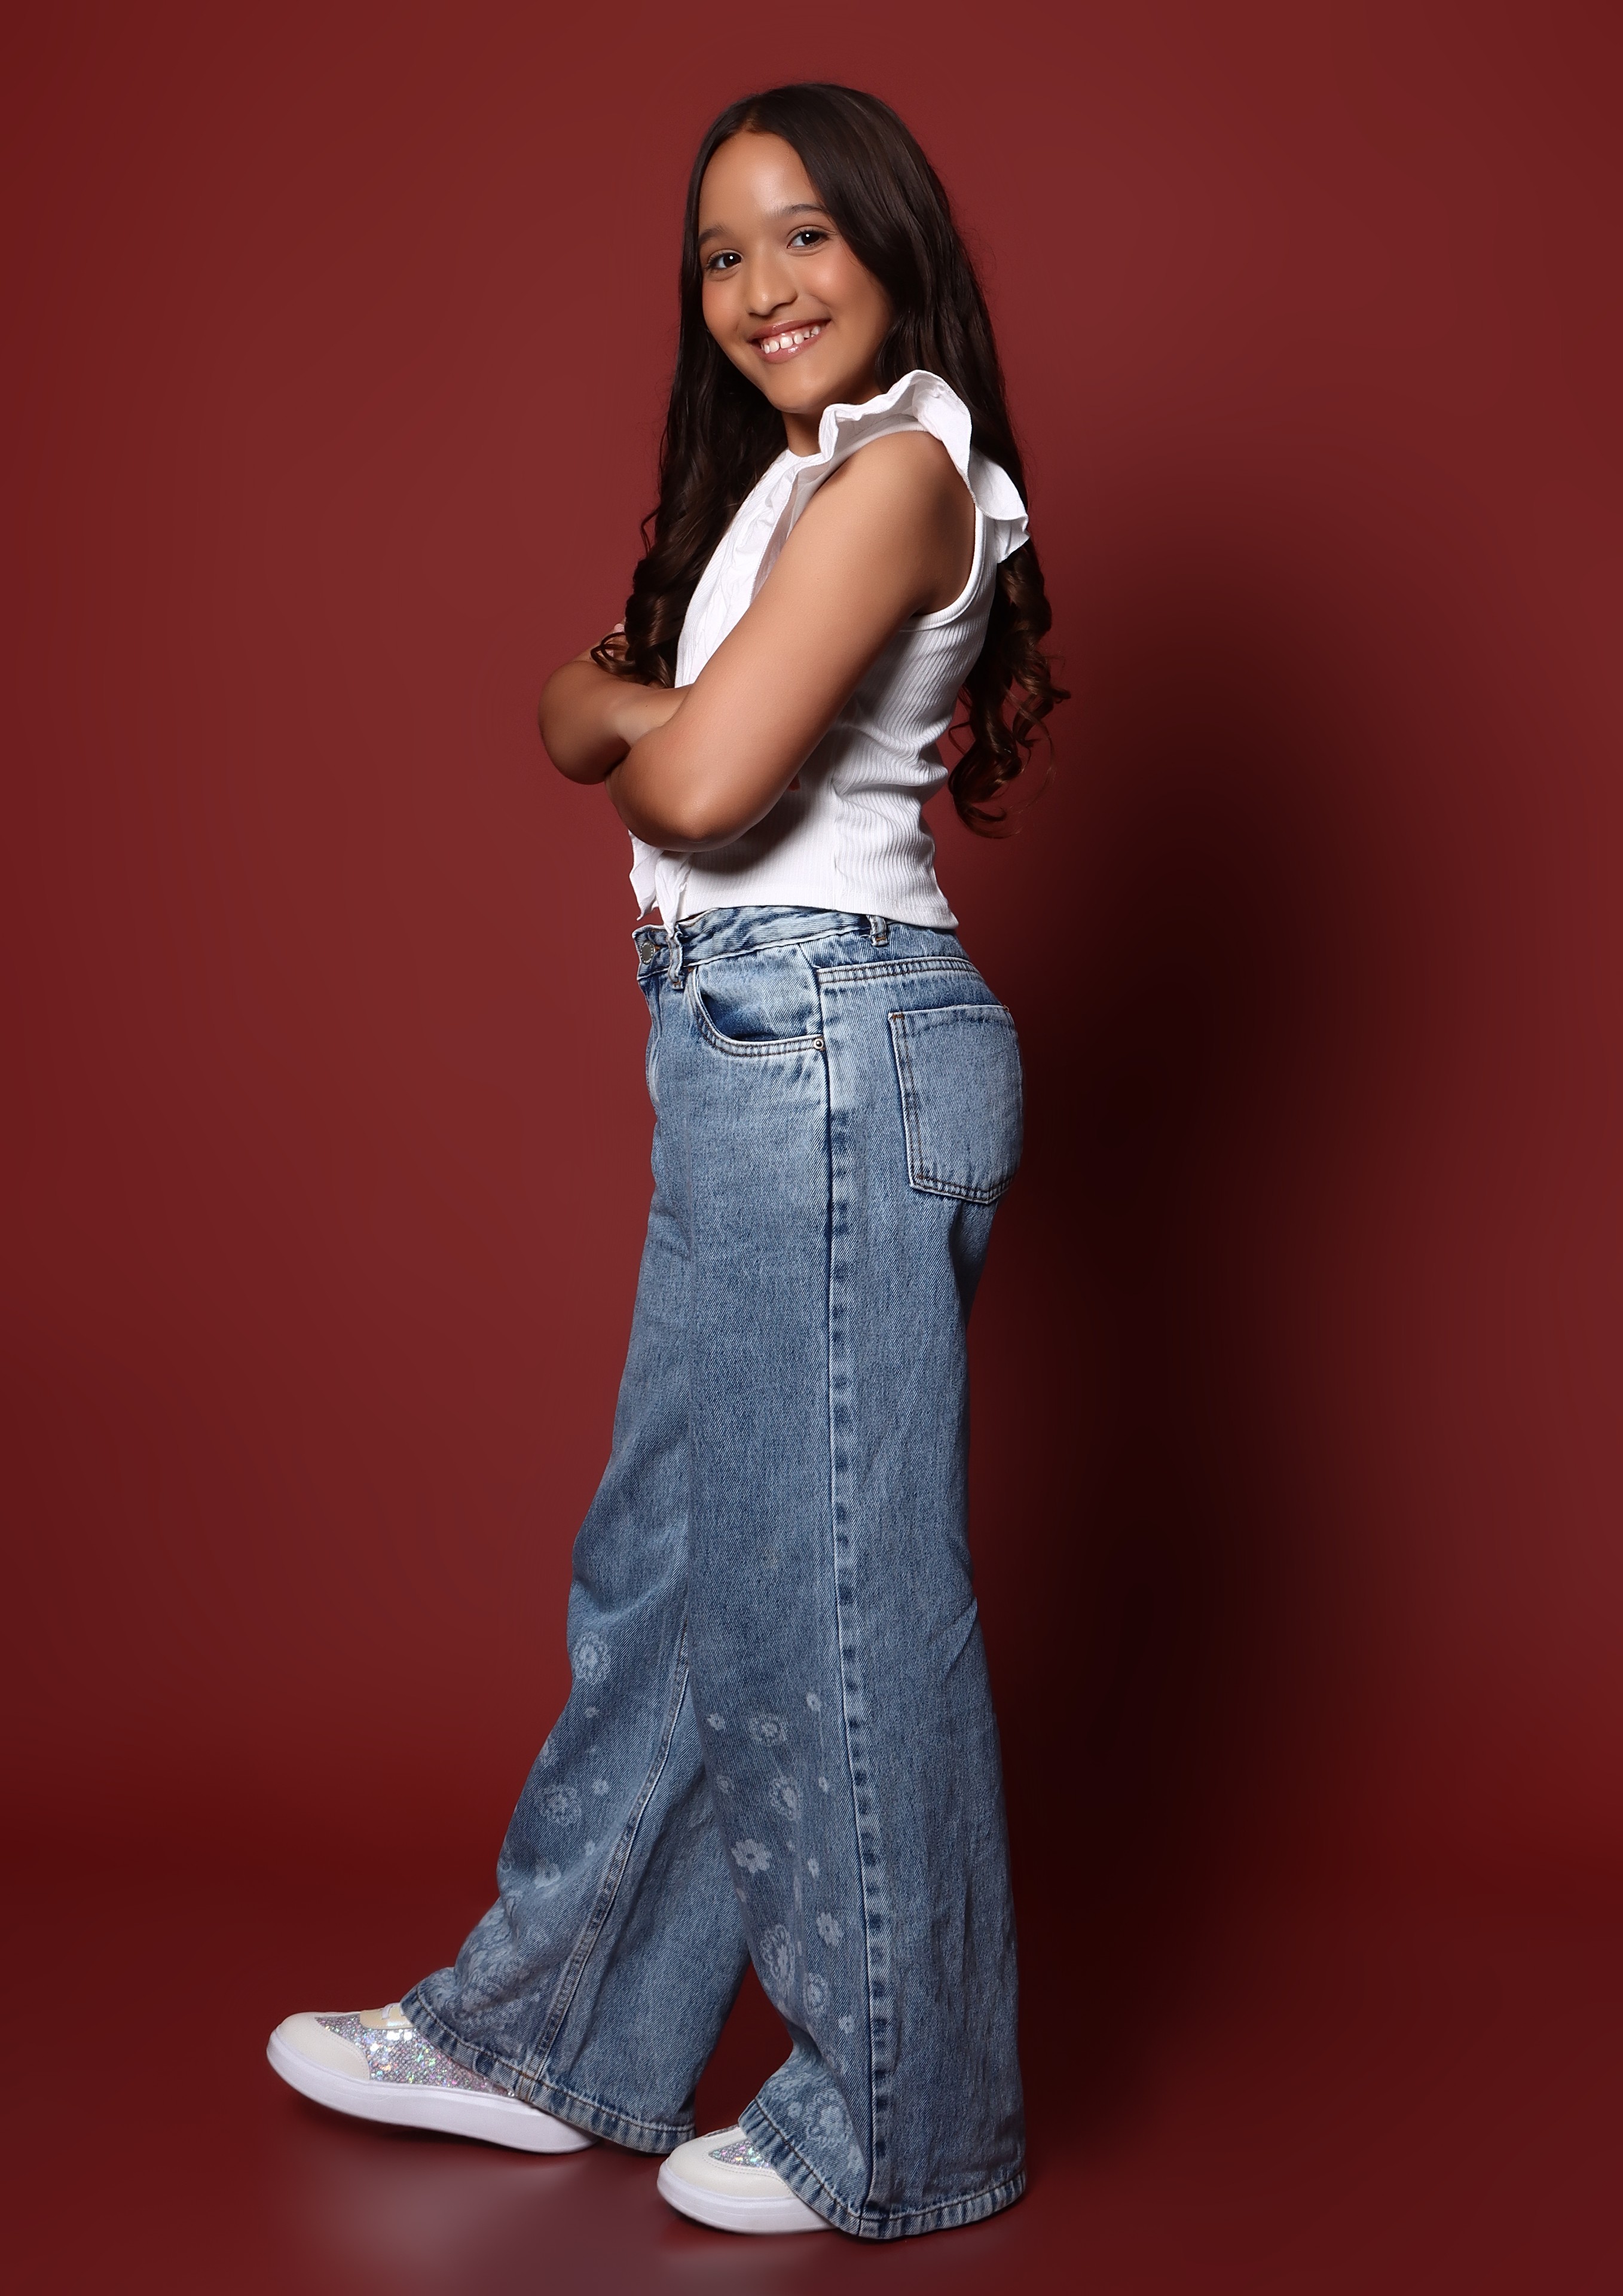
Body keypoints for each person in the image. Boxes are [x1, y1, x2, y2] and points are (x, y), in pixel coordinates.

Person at [268, 80, 1064, 2242]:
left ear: (893, 248)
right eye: (721, 253)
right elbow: (582, 714)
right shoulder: (787, 491)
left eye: (803, 234)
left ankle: (904, 2119)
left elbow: (692, 782)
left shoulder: (901, 473)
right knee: (678, 1573)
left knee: (829, 1602)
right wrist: (649, 717)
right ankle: (553, 2032)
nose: (760, 285)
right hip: (751, 1045)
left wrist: (650, 723)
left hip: (826, 1037)